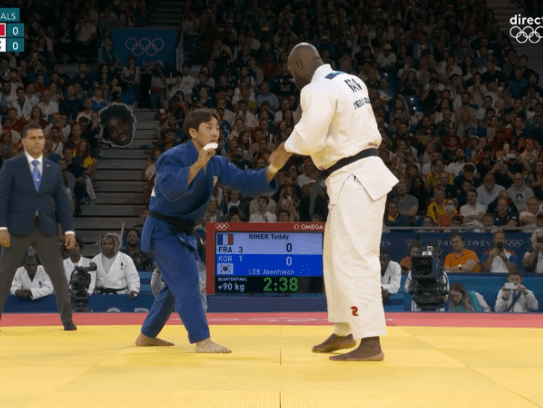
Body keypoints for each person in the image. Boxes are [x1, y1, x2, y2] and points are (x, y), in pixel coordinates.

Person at [278, 43, 399, 361]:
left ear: (300, 64)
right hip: (357, 176)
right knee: (333, 258)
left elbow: (309, 137)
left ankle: (370, 341)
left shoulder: (316, 89)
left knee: (355, 260)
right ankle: (345, 330)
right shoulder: (351, 80)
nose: (292, 79)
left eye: (292, 73)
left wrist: (281, 152)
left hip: (355, 179)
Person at [137, 108, 285, 354]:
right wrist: (196, 166)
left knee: (173, 288)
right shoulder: (172, 158)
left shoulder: (216, 162)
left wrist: (273, 169)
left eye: (217, 127)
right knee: (187, 280)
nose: (215, 131)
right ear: (193, 132)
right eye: (208, 127)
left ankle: (147, 335)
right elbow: (169, 190)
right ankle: (202, 340)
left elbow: (246, 182)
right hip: (162, 230)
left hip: (183, 232)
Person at [0, 123, 77, 332]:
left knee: (58, 276)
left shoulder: (53, 168)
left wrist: (69, 230)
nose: (38, 141)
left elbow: (62, 203)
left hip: (45, 228)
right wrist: (1, 227)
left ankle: (68, 322)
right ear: (24, 141)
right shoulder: (11, 165)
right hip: (17, 229)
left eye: (41, 138)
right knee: (4, 276)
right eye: (34, 138)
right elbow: (0, 199)